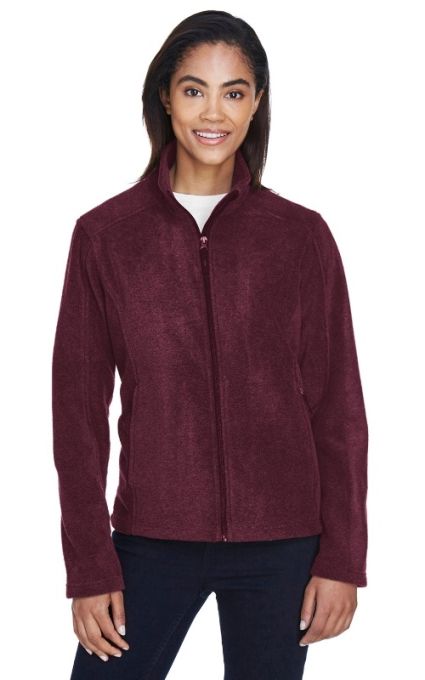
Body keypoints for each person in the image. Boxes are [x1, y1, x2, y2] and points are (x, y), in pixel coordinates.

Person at [51, 9, 369, 680]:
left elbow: (338, 409)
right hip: (149, 541)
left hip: (282, 545)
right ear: (165, 97)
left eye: (234, 91)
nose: (213, 112)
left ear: (256, 103)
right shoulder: (105, 236)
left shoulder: (300, 237)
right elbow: (76, 415)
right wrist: (88, 564)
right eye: (194, 89)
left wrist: (342, 558)